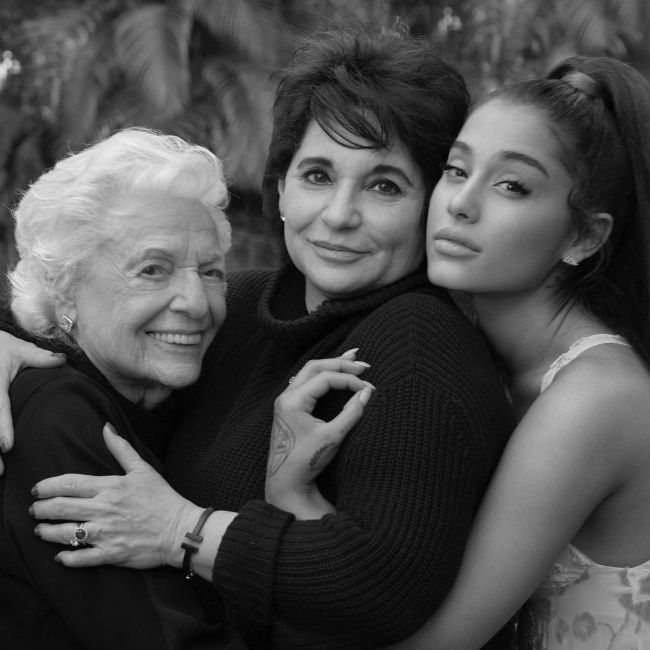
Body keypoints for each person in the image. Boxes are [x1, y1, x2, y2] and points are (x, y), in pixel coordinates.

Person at [0, 28, 514, 649]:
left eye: (385, 185)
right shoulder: (239, 306)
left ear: (431, 203)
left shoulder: (420, 343)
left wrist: (183, 529)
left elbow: (384, 585)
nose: (340, 214)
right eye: (318, 175)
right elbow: (102, 336)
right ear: (279, 189)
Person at [264, 55, 650, 649]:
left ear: (584, 237)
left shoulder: (596, 399)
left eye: (512, 186)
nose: (460, 204)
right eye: (454, 170)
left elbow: (428, 642)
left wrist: (290, 495)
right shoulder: (480, 352)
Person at [0, 128, 252, 649]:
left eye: (210, 272)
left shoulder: (165, 399)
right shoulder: (58, 417)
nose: (197, 303)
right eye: (153, 269)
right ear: (64, 289)